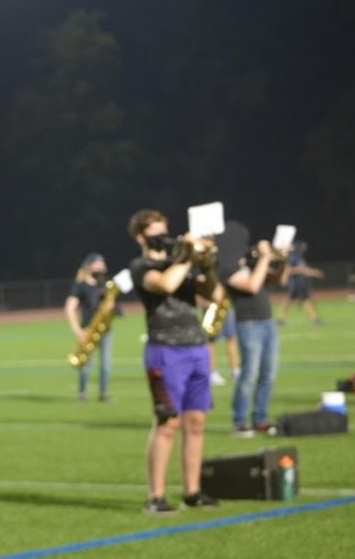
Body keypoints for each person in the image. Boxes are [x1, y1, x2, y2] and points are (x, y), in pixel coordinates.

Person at [127, 209, 220, 514]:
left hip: (196, 347)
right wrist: (189, 256)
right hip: (165, 351)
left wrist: (206, 262)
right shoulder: (141, 266)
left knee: (196, 423)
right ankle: (156, 496)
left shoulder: (180, 264)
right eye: (156, 231)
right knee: (168, 423)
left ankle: (192, 492)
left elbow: (214, 294)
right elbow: (166, 285)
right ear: (141, 236)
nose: (164, 236)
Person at [223, 236, 280, 438]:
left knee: (268, 374)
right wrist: (265, 257)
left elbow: (280, 279)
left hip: (268, 322)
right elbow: (252, 286)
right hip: (249, 324)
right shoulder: (227, 269)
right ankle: (239, 421)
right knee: (249, 374)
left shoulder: (251, 264)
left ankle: (260, 419)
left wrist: (282, 257)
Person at [64, 253, 119, 403]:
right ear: (88, 266)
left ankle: (104, 393)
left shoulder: (105, 284)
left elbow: (113, 305)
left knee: (106, 365)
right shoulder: (80, 285)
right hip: (88, 329)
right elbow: (70, 307)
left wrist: (111, 307)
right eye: (97, 264)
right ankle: (82, 394)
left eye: (102, 264)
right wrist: (77, 330)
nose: (101, 267)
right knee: (85, 365)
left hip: (105, 329)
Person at [275, 240, 324, 325]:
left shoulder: (297, 257)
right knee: (302, 300)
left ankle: (280, 318)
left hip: (298, 282)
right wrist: (313, 272)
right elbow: (290, 269)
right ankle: (314, 319)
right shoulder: (294, 257)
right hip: (295, 283)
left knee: (293, 300)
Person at [207, 308, 240, 386]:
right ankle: (212, 373)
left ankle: (235, 371)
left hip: (225, 306)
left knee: (231, 336)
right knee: (210, 340)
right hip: (211, 307)